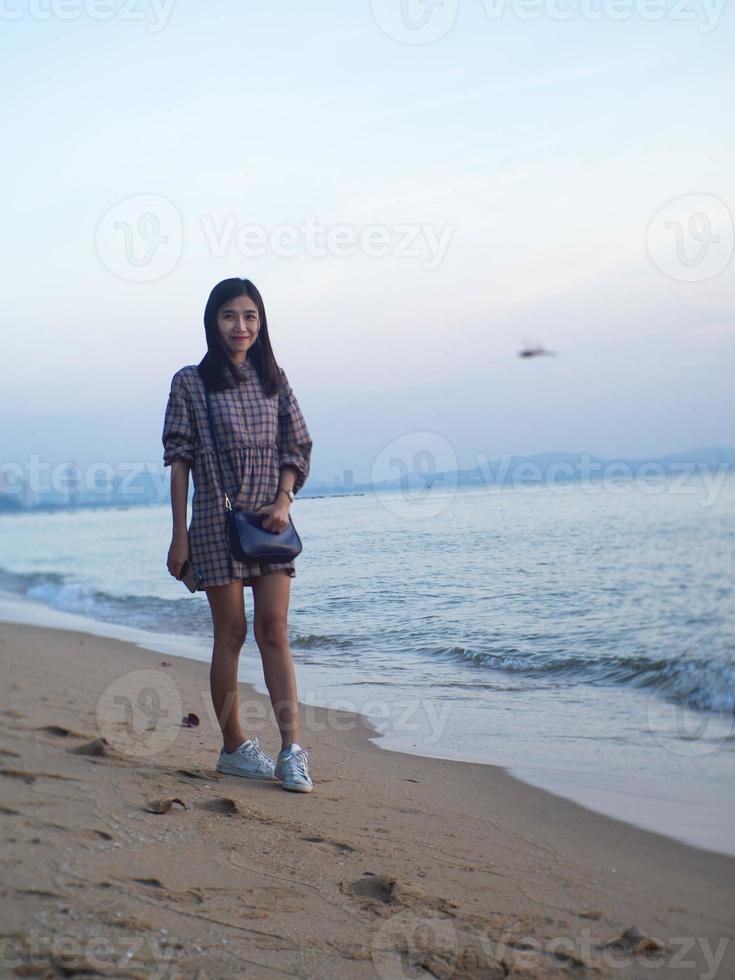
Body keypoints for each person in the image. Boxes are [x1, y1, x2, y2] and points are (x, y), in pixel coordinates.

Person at [162, 278, 314, 793]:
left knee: (274, 629)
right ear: (213, 321)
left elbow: (297, 443)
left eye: (250, 316)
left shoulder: (274, 379)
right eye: (230, 316)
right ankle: (233, 747)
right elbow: (180, 462)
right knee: (230, 633)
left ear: (261, 321)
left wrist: (284, 499)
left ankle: (292, 750)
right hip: (212, 520)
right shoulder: (190, 381)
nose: (241, 326)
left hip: (270, 522)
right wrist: (179, 535)